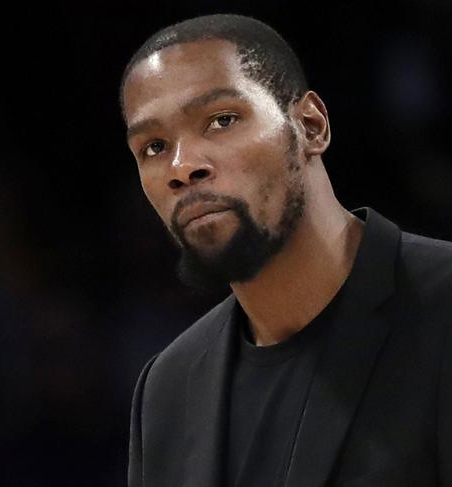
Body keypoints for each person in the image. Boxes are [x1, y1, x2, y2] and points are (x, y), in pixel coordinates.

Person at [120, 13, 452, 487]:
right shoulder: (167, 388)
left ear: (311, 126)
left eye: (221, 120)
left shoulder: (442, 308)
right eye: (153, 146)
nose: (182, 166)